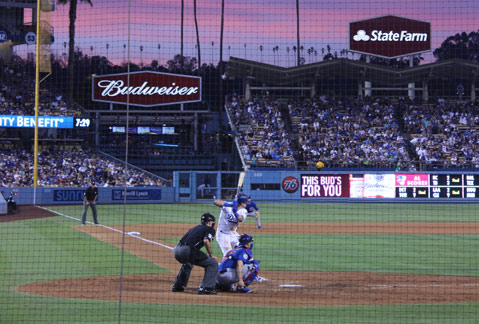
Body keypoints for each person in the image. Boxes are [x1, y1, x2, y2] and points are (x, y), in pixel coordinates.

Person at [172, 213, 218, 295]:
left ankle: (178, 286)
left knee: (188, 262)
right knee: (213, 263)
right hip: (187, 250)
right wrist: (211, 255)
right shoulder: (209, 229)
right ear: (210, 222)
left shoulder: (195, 228)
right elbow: (206, 240)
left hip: (176, 250)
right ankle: (206, 288)